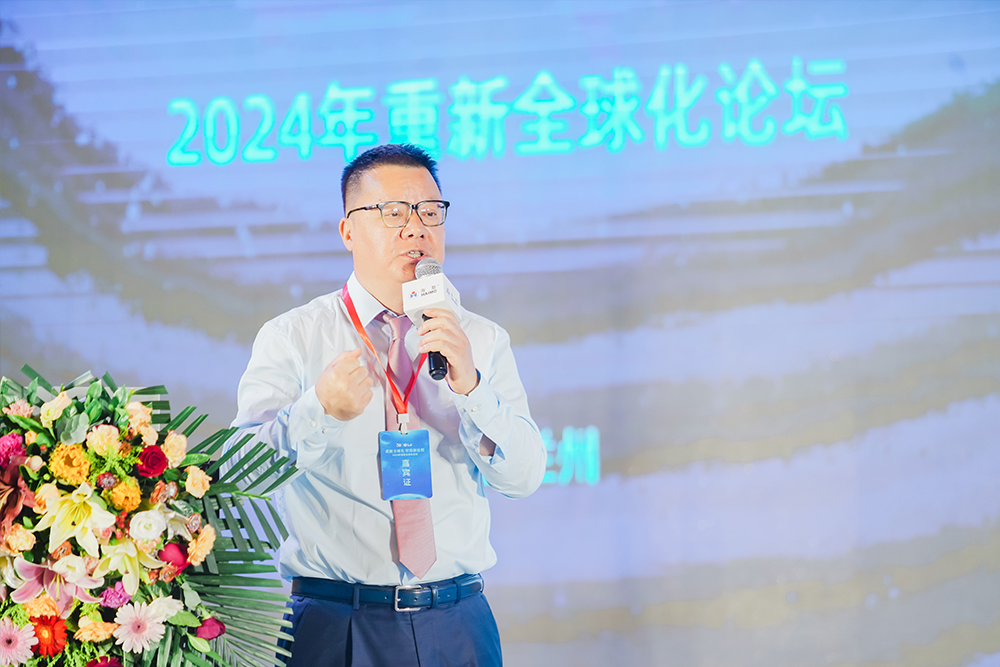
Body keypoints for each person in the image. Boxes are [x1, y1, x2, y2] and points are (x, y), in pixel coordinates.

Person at [228, 143, 547, 666]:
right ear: (348, 231)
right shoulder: (294, 337)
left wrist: (472, 389)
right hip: (336, 623)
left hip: (458, 622)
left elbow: (525, 476)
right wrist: (319, 410)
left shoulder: (479, 340)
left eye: (430, 212)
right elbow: (241, 475)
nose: (416, 228)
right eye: (394, 212)